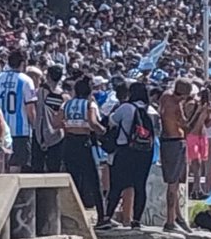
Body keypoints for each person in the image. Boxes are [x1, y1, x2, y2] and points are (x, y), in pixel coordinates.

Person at [100, 81, 158, 230]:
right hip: (145, 152)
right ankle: (136, 220)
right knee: (140, 186)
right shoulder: (151, 111)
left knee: (117, 185)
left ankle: (107, 217)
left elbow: (111, 121)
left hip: (126, 150)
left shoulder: (126, 108)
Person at [61, 75, 107, 226]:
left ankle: (72, 217)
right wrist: (103, 130)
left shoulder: (66, 104)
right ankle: (102, 217)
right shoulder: (89, 104)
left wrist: (69, 125)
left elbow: (56, 122)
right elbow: (93, 123)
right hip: (84, 143)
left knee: (73, 179)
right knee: (93, 180)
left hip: (68, 142)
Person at [0, 50, 37, 173]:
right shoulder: (26, 80)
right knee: (16, 165)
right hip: (20, 130)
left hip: (0, 130)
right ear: (23, 63)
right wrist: (35, 127)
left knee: (1, 164)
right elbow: (30, 108)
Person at [158, 79, 191, 232]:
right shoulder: (177, 106)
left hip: (165, 141)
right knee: (173, 184)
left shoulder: (165, 97)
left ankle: (178, 216)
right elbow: (185, 125)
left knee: (175, 182)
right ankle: (170, 220)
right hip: (175, 141)